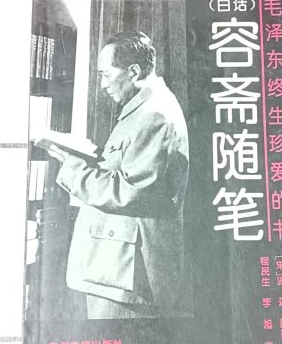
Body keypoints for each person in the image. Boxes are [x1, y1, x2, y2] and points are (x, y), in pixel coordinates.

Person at [48, 31, 190, 319]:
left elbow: (129, 191)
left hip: (126, 274)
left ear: (134, 71)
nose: (103, 85)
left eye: (107, 75)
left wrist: (72, 167)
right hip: (117, 269)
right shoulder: (145, 108)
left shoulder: (154, 115)